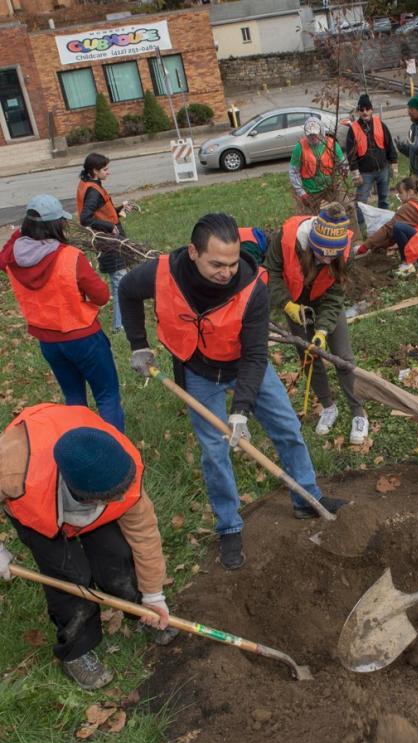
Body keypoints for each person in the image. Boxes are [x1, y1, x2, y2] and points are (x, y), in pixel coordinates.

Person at [119, 213, 345, 571]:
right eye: (217, 264)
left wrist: (241, 409)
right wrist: (138, 345)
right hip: (198, 370)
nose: (226, 271)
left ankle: (306, 497)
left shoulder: (251, 287)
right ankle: (229, 525)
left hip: (244, 366)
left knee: (287, 427)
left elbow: (256, 355)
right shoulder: (163, 272)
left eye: (232, 262)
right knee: (214, 450)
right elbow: (127, 291)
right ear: (193, 252)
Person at [0, 404, 176, 690]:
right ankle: (76, 650)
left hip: (89, 498)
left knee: (117, 556)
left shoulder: (120, 466)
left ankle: (142, 611)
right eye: (114, 497)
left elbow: (144, 535)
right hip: (38, 507)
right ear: (87, 496)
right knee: (69, 577)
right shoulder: (13, 466)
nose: (124, 498)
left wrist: (154, 593)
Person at [0, 194, 125, 432]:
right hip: (83, 337)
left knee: (74, 399)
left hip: (48, 341)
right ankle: (116, 455)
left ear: (27, 226)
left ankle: (80, 451)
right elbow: (101, 295)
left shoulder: (12, 260)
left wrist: (20, 233)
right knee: (107, 395)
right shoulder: (69, 257)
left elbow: (4, 253)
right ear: (56, 225)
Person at [265, 203, 369, 445]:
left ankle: (358, 413)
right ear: (310, 242)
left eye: (330, 256)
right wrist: (287, 305)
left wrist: (322, 329)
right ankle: (328, 406)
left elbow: (334, 297)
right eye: (320, 253)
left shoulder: (344, 253)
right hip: (295, 302)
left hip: (325, 300)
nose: (325, 259)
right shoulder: (286, 239)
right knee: (309, 356)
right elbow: (270, 272)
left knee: (343, 358)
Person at [77, 153, 134, 332]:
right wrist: (109, 226)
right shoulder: (93, 190)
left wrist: (119, 210)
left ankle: (121, 322)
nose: (108, 172)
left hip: (107, 239)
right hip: (108, 242)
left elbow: (100, 212)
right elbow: (85, 218)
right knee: (119, 281)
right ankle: (119, 325)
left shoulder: (90, 185)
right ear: (95, 171)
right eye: (105, 169)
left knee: (118, 279)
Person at [356, 176, 418, 277]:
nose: (399, 196)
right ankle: (411, 260)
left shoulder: (409, 207)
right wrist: (379, 246)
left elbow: (388, 229)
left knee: (398, 227)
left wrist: (365, 246)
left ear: (410, 192)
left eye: (401, 193)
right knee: (399, 227)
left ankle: (407, 264)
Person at [346, 94, 399, 228]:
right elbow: (351, 153)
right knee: (361, 201)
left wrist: (393, 164)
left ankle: (385, 224)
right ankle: (362, 227)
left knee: (384, 199)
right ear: (358, 111)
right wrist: (355, 172)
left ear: (371, 110)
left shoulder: (380, 124)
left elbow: (389, 144)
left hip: (383, 169)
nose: (365, 112)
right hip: (365, 172)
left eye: (367, 109)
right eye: (362, 109)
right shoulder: (354, 129)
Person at [289, 116, 349, 214]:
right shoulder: (299, 148)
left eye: (315, 133)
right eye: (310, 134)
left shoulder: (331, 143)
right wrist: (301, 193)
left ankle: (352, 229)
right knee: (311, 219)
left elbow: (342, 161)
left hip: (331, 187)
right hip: (311, 192)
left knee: (347, 207)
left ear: (321, 131)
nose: (313, 137)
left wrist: (344, 170)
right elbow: (293, 172)